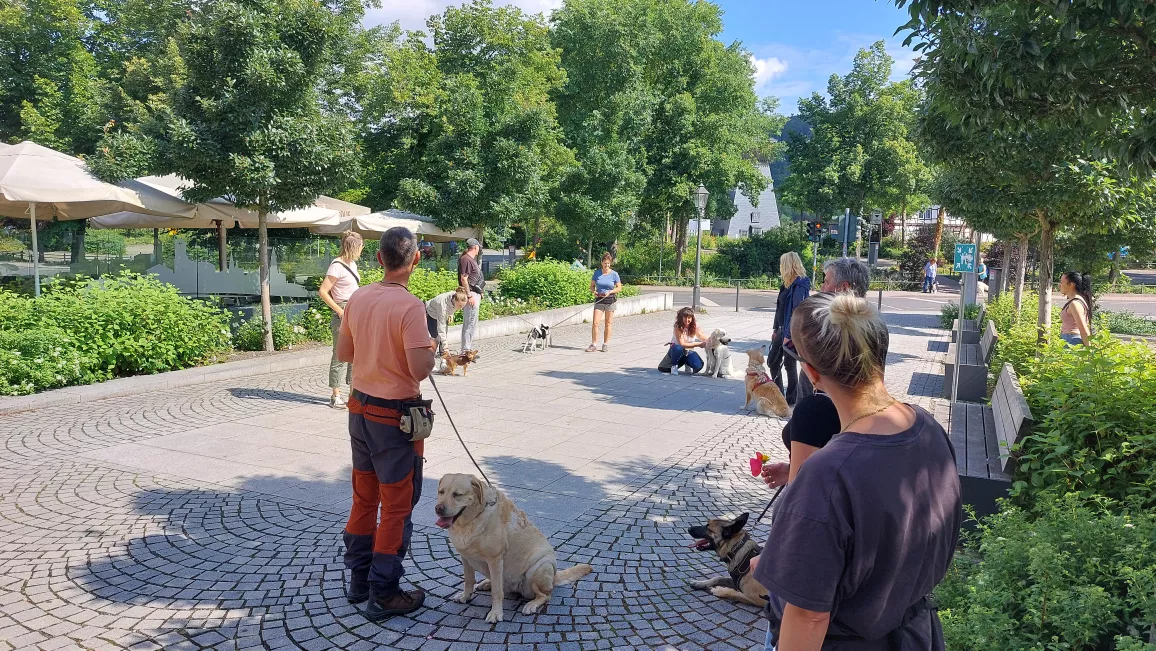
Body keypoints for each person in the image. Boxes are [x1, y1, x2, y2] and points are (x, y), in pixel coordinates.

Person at [751, 292, 962, 650]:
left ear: (812, 372)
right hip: (917, 635)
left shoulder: (827, 473)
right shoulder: (928, 429)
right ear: (880, 351)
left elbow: (808, 616)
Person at [337, 227, 437, 621]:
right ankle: (385, 591)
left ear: (379, 259)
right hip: (394, 418)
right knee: (396, 506)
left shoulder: (359, 296)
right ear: (415, 260)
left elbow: (345, 352)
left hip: (359, 410)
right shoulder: (412, 307)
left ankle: (359, 581)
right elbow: (419, 368)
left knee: (364, 498)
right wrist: (428, 352)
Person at [792, 257, 871, 402]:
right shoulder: (874, 326)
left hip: (818, 414)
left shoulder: (823, 327)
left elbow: (811, 383)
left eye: (826, 282)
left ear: (844, 288)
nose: (822, 287)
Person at [319, 230, 363, 409]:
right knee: (340, 353)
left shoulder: (352, 264)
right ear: (353, 247)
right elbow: (323, 291)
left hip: (355, 309)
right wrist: (339, 310)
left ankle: (353, 394)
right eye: (360, 246)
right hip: (343, 310)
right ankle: (335, 395)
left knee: (356, 353)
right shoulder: (336, 266)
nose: (362, 250)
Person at [769, 252, 810, 405]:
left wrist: (788, 335)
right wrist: (775, 329)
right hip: (780, 329)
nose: (780, 267)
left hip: (789, 331)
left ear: (788, 265)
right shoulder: (786, 284)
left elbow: (797, 312)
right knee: (774, 362)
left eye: (782, 264)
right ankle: (779, 394)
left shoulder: (799, 286)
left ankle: (790, 398)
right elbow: (779, 309)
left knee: (788, 364)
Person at [426, 286, 469, 369]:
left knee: (443, 339)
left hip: (443, 315)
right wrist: (446, 347)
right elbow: (441, 327)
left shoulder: (457, 295)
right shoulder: (443, 305)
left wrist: (451, 314)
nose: (461, 308)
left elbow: (453, 306)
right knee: (436, 339)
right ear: (454, 300)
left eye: (463, 306)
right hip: (431, 314)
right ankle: (431, 363)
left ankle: (443, 363)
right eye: (460, 306)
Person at [588, 252, 622, 352]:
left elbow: (619, 288)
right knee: (595, 323)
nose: (606, 265)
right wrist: (593, 291)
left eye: (608, 263)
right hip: (599, 300)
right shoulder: (597, 273)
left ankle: (605, 343)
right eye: (605, 263)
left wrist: (610, 291)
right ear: (601, 263)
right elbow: (592, 285)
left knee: (608, 323)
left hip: (610, 300)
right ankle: (594, 344)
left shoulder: (614, 274)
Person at [664, 306, 709, 374]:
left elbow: (700, 335)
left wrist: (712, 340)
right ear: (681, 317)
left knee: (697, 365)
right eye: (685, 317)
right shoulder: (677, 326)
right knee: (678, 347)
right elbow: (682, 344)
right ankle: (674, 366)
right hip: (676, 349)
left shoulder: (695, 325)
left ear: (692, 318)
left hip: (689, 350)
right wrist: (699, 344)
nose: (687, 320)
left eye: (689, 318)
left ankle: (687, 362)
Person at [458, 238, 484, 352]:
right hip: (471, 295)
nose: (479, 249)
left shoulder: (470, 259)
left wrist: (480, 292)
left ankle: (467, 349)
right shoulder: (466, 259)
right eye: (478, 247)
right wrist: (469, 296)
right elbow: (464, 279)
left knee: (472, 323)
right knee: (469, 323)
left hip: (475, 293)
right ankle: (466, 351)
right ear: (475, 247)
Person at [1059, 270, 1093, 346]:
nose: (1059, 285)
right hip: (1069, 339)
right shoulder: (1075, 301)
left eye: (1061, 282)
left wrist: (1089, 351)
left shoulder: (1075, 304)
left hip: (1072, 340)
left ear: (1071, 284)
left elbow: (1083, 329)